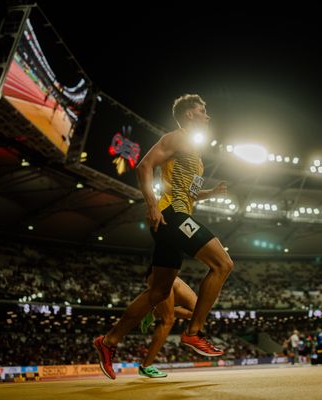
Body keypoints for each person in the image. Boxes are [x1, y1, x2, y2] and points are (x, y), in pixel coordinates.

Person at [93, 94, 234, 380]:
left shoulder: (195, 155)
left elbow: (190, 193)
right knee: (223, 265)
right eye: (202, 110)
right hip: (173, 215)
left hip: (177, 215)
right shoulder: (177, 138)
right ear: (190, 115)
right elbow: (144, 166)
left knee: (158, 293)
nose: (207, 115)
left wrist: (211, 193)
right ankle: (194, 333)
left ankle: (107, 341)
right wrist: (151, 205)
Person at [137, 272, 198, 378]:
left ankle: (153, 313)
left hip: (173, 274)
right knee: (168, 320)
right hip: (162, 273)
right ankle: (146, 366)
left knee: (197, 311)